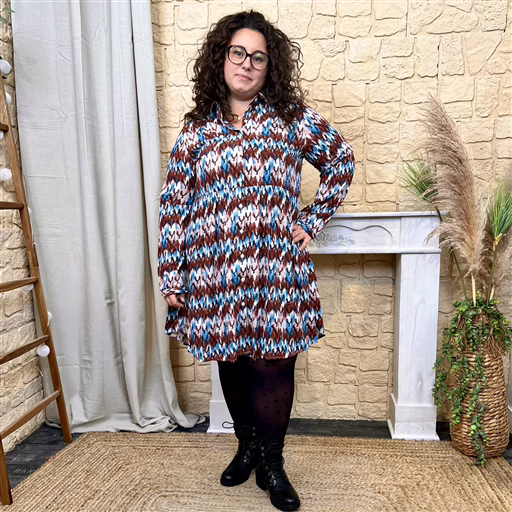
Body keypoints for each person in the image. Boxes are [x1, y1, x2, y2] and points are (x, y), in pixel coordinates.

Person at [158, 10, 355, 512]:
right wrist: (172, 273)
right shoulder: (196, 132)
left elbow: (341, 160)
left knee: (273, 363)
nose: (246, 63)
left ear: (271, 67)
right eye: (238, 52)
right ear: (221, 58)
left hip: (275, 269)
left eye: (259, 57)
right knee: (233, 360)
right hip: (214, 271)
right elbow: (174, 204)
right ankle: (245, 447)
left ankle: (273, 463)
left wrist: (310, 221)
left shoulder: (292, 118)